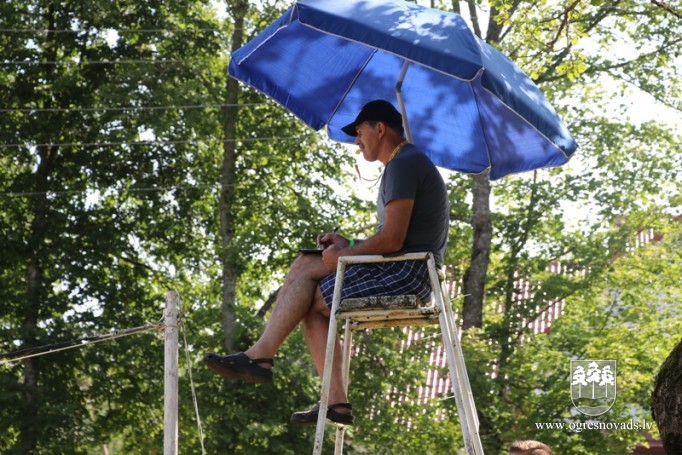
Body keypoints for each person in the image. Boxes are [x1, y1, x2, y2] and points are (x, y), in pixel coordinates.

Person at [204, 100, 449, 426]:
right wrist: (348, 245)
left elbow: (392, 240)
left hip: (408, 274)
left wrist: (344, 255)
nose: (356, 141)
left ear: (379, 128)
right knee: (307, 265)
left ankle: (265, 359)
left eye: (359, 132)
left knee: (312, 296)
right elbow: (393, 238)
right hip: (403, 267)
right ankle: (319, 393)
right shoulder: (404, 163)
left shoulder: (403, 164)